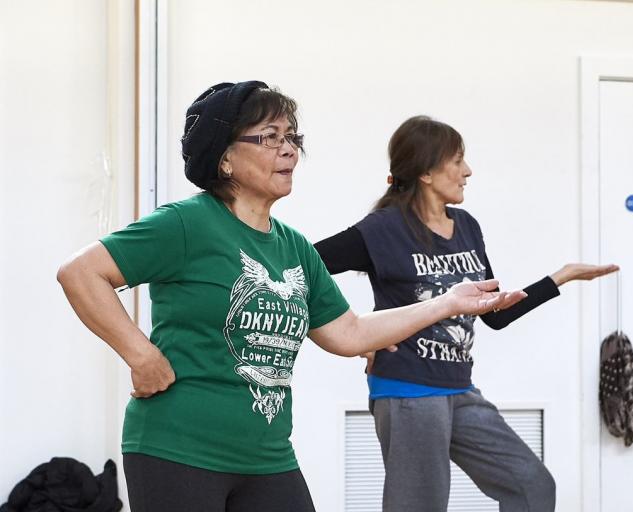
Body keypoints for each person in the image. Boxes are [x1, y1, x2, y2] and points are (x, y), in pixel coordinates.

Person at [56, 83, 526, 512]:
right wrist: (140, 354)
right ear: (224, 158)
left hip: (267, 455)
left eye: (292, 137)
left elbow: (350, 332)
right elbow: (81, 274)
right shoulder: (186, 223)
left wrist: (447, 303)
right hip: (178, 448)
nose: (289, 151)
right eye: (269, 137)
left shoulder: (293, 246)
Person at [315, 115, 619, 512]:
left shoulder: (467, 227)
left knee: (532, 486)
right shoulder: (382, 230)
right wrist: (356, 334)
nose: (467, 171)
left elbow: (493, 313)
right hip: (408, 393)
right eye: (457, 160)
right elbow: (300, 266)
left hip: (459, 390)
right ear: (425, 170)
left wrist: (560, 278)